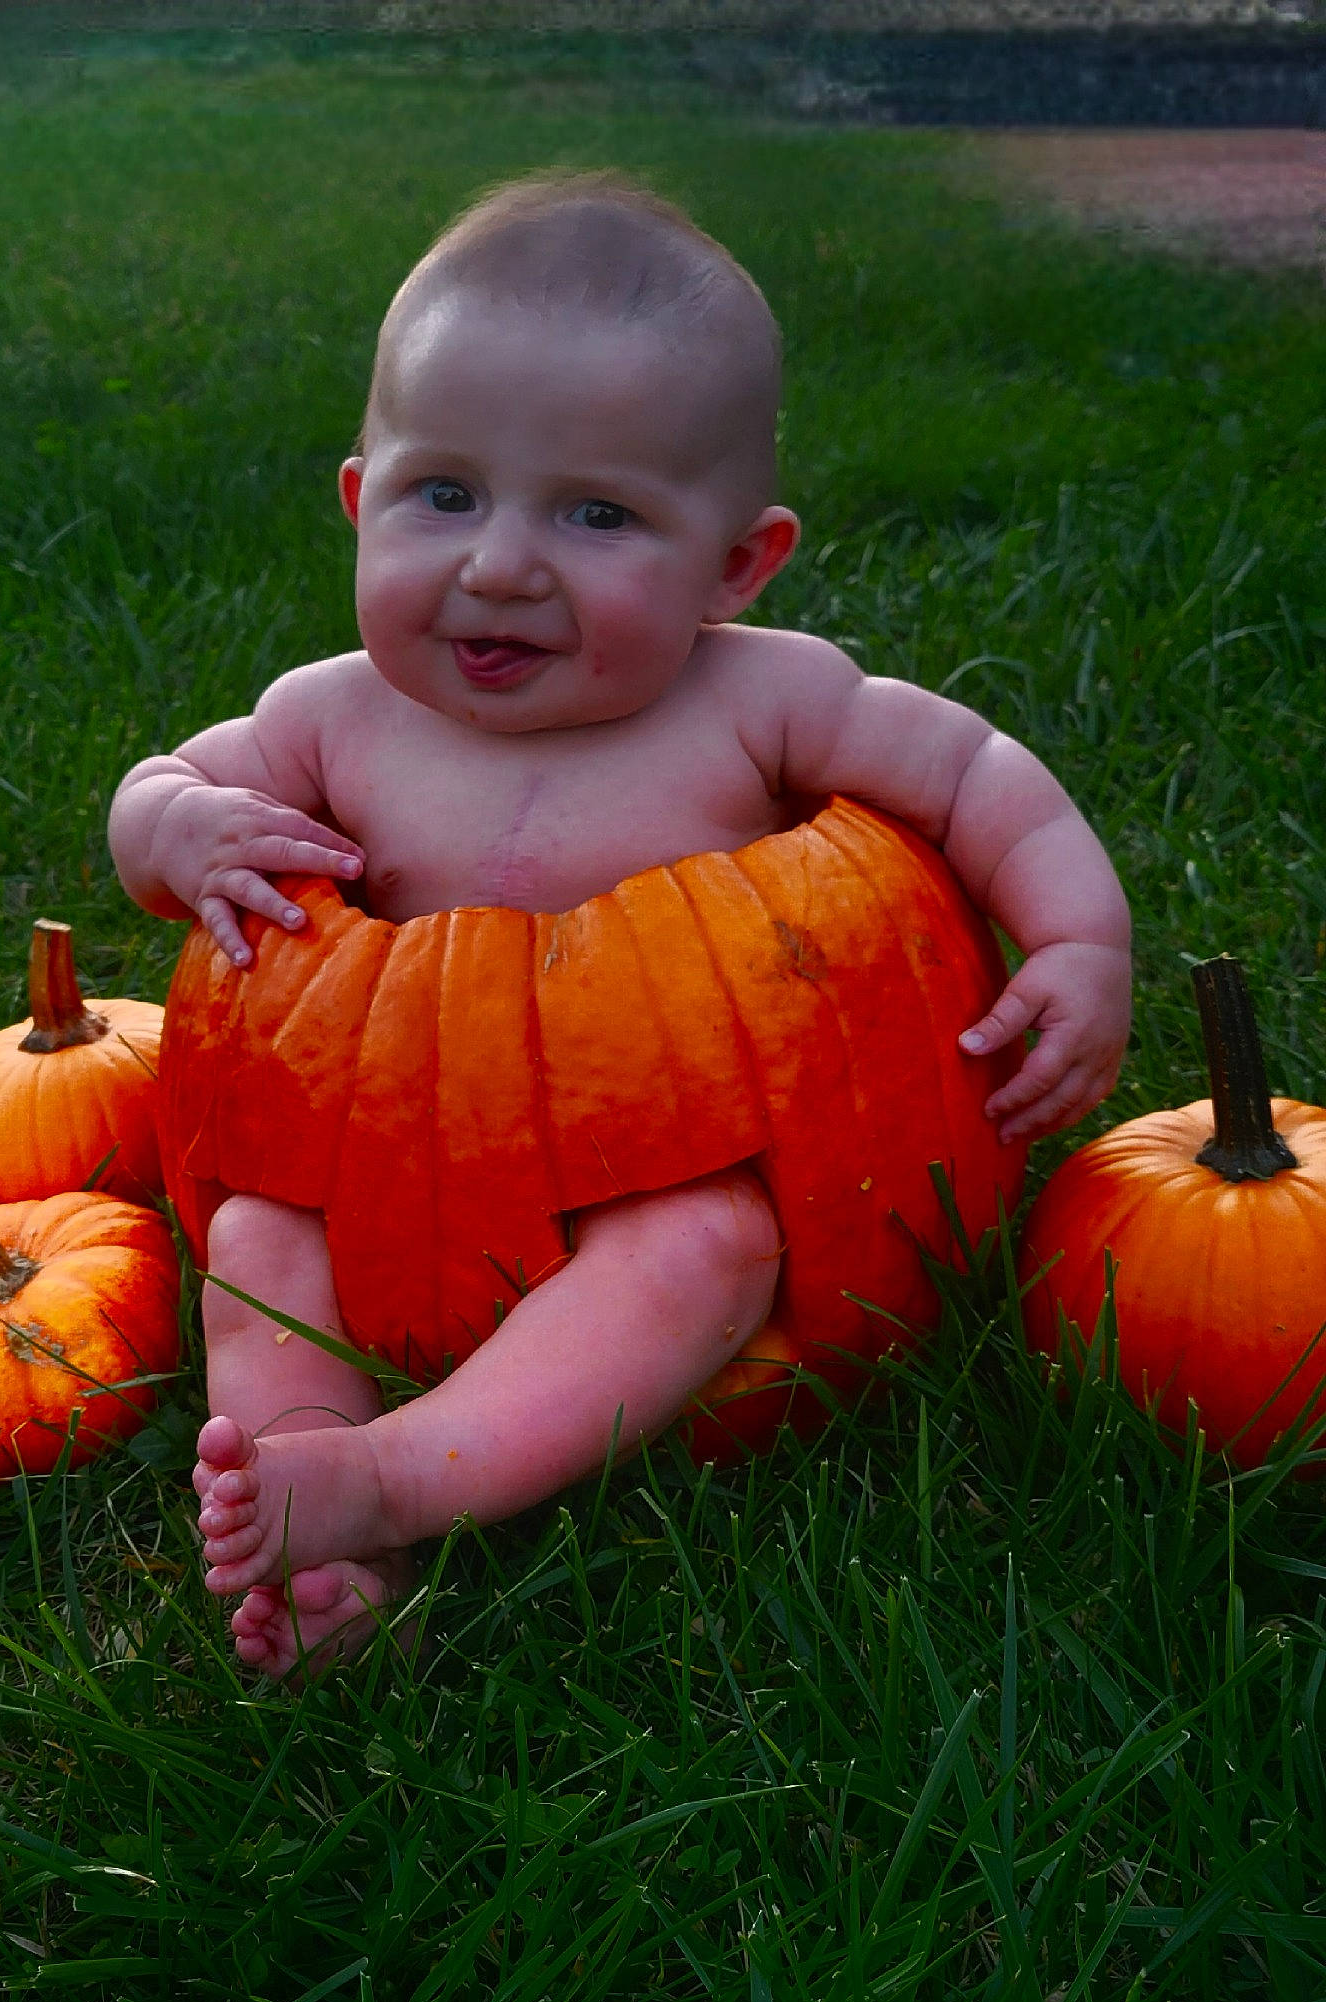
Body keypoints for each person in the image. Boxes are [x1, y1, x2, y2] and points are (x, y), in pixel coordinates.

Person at [109, 173, 1131, 1678]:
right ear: (359, 498)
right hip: (375, 1157)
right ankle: (309, 1491)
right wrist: (175, 829)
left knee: (715, 1248)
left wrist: (1076, 941)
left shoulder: (764, 699)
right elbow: (158, 792)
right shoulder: (331, 719)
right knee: (261, 1231)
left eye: (597, 514)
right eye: (443, 493)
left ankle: (408, 1472)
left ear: (736, 564)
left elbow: (978, 776)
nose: (503, 562)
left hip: (646, 1174)